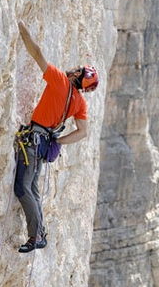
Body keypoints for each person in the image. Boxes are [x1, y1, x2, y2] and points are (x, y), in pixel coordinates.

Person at [15, 20, 99, 253]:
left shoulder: (61, 81)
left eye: (79, 70)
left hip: (34, 141)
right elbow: (83, 131)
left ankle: (36, 236)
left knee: (23, 188)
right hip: (43, 144)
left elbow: (38, 54)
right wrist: (59, 140)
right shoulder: (80, 103)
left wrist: (23, 30)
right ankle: (40, 233)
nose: (74, 69)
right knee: (32, 187)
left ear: (78, 76)